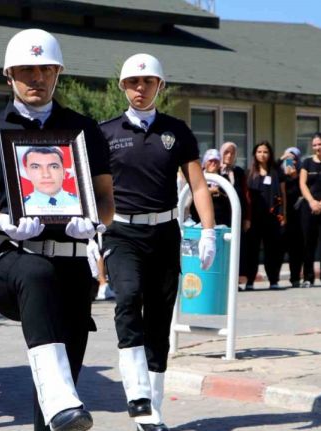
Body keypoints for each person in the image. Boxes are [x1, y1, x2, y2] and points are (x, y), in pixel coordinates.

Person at [0, 28, 114, 431]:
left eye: (45, 70)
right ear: (9, 75)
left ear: (58, 73)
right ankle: (59, 399)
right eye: (26, 70)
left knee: (62, 398)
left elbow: (107, 200)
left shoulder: (84, 130)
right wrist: (1, 220)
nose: (36, 78)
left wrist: (94, 220)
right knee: (36, 273)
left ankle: (57, 406)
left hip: (73, 265)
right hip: (8, 259)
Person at [99, 53, 216, 431]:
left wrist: (209, 231)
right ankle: (137, 393)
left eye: (148, 81)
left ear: (159, 86)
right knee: (128, 298)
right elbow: (90, 188)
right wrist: (89, 233)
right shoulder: (105, 133)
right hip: (121, 232)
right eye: (133, 81)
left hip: (165, 233)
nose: (140, 87)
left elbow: (198, 185)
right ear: (123, 86)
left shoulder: (177, 131)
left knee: (159, 320)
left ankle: (153, 408)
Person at [244, 141, 286, 291]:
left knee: (273, 250)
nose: (262, 155)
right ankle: (250, 281)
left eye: (265, 152)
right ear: (255, 154)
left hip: (273, 218)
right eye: (259, 152)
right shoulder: (249, 173)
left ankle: (273, 280)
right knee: (252, 250)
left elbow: (283, 194)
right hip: (254, 219)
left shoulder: (276, 172)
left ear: (270, 154)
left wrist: (284, 214)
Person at [219, 141, 252, 286]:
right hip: (220, 217)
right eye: (226, 152)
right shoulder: (216, 170)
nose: (229, 155)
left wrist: (247, 218)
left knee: (238, 248)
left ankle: (236, 280)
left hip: (236, 217)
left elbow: (246, 196)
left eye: (232, 153)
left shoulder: (238, 172)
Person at [22, 146, 80, 214]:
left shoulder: (79, 203)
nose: (46, 175)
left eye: (54, 167)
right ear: (27, 172)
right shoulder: (21, 206)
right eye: (36, 167)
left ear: (64, 172)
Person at [299, 133, 321, 288]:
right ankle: (308, 277)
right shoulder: (306, 162)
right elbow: (303, 184)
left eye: (320, 144)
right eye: (315, 145)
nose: (317, 147)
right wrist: (312, 202)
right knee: (308, 243)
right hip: (309, 207)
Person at [280, 147, 303, 287]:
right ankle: (274, 279)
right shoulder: (279, 173)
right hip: (281, 216)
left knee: (296, 249)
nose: (291, 162)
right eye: (288, 159)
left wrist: (295, 177)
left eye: (293, 159)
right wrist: (282, 159)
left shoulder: (301, 174)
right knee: (279, 247)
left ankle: (295, 278)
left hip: (297, 217)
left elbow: (304, 191)